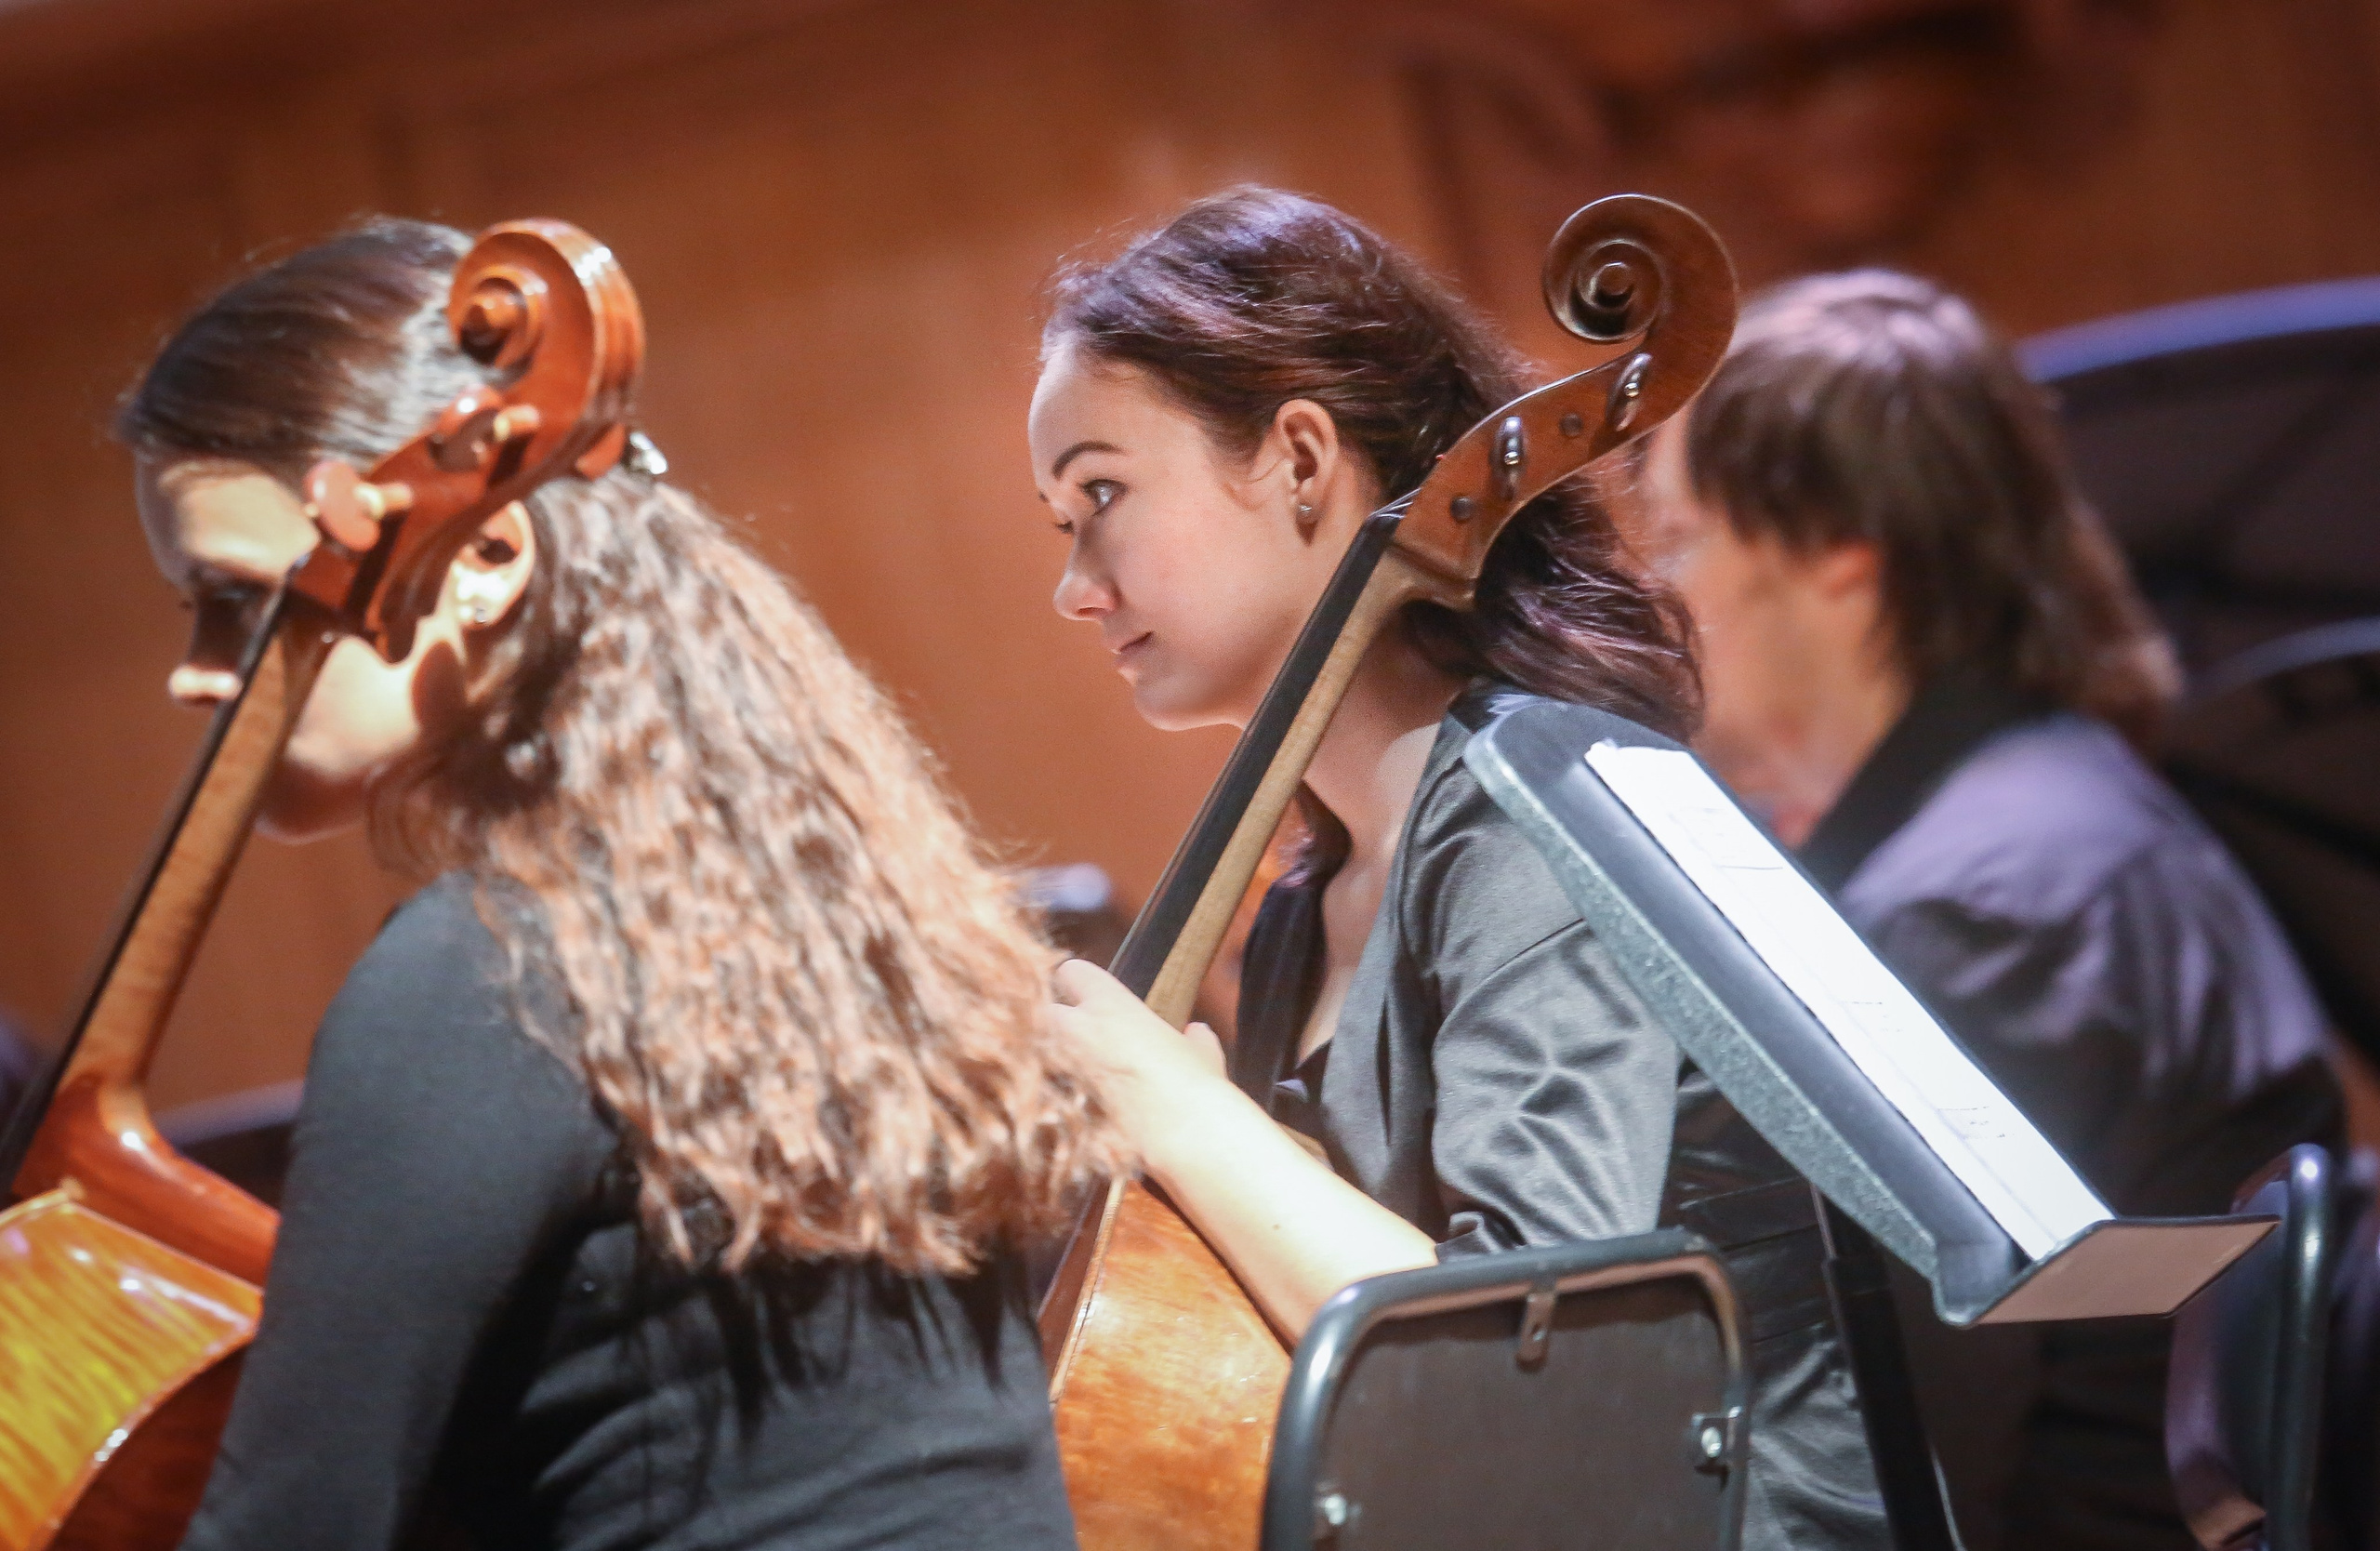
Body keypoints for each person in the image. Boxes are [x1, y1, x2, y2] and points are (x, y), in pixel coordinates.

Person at [123, 219, 1118, 1551]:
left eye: (235, 600)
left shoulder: (487, 978)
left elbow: (288, 1526)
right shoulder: (834, 916)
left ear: (481, 562)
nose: (198, 671)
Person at [1031, 186, 1889, 1550]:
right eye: (1060, 521)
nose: (1075, 583)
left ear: (1303, 459)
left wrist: (1175, 1109)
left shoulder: (1531, 819)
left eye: (1103, 495)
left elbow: (1526, 1374)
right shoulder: (1310, 896)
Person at [1625, 269, 2346, 1551]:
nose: (1667, 599)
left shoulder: (1978, 907)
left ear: (1841, 548)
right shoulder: (2049, 810)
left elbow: (1898, 1462)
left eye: (1683, 540)